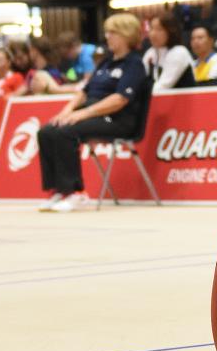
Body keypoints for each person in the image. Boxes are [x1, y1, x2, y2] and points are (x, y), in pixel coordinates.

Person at [36, 13, 147, 213]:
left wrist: (83, 114)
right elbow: (84, 91)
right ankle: (58, 191)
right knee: (47, 131)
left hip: (118, 119)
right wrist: (67, 111)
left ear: (126, 35)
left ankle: (75, 193)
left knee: (65, 132)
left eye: (112, 32)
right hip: (93, 112)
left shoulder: (134, 64)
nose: (108, 37)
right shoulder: (105, 63)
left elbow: (120, 99)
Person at [142, 12, 196, 91]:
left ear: (171, 31)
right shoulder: (150, 52)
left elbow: (162, 87)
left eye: (159, 29)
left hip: (184, 101)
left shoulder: (179, 52)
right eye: (151, 29)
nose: (153, 34)